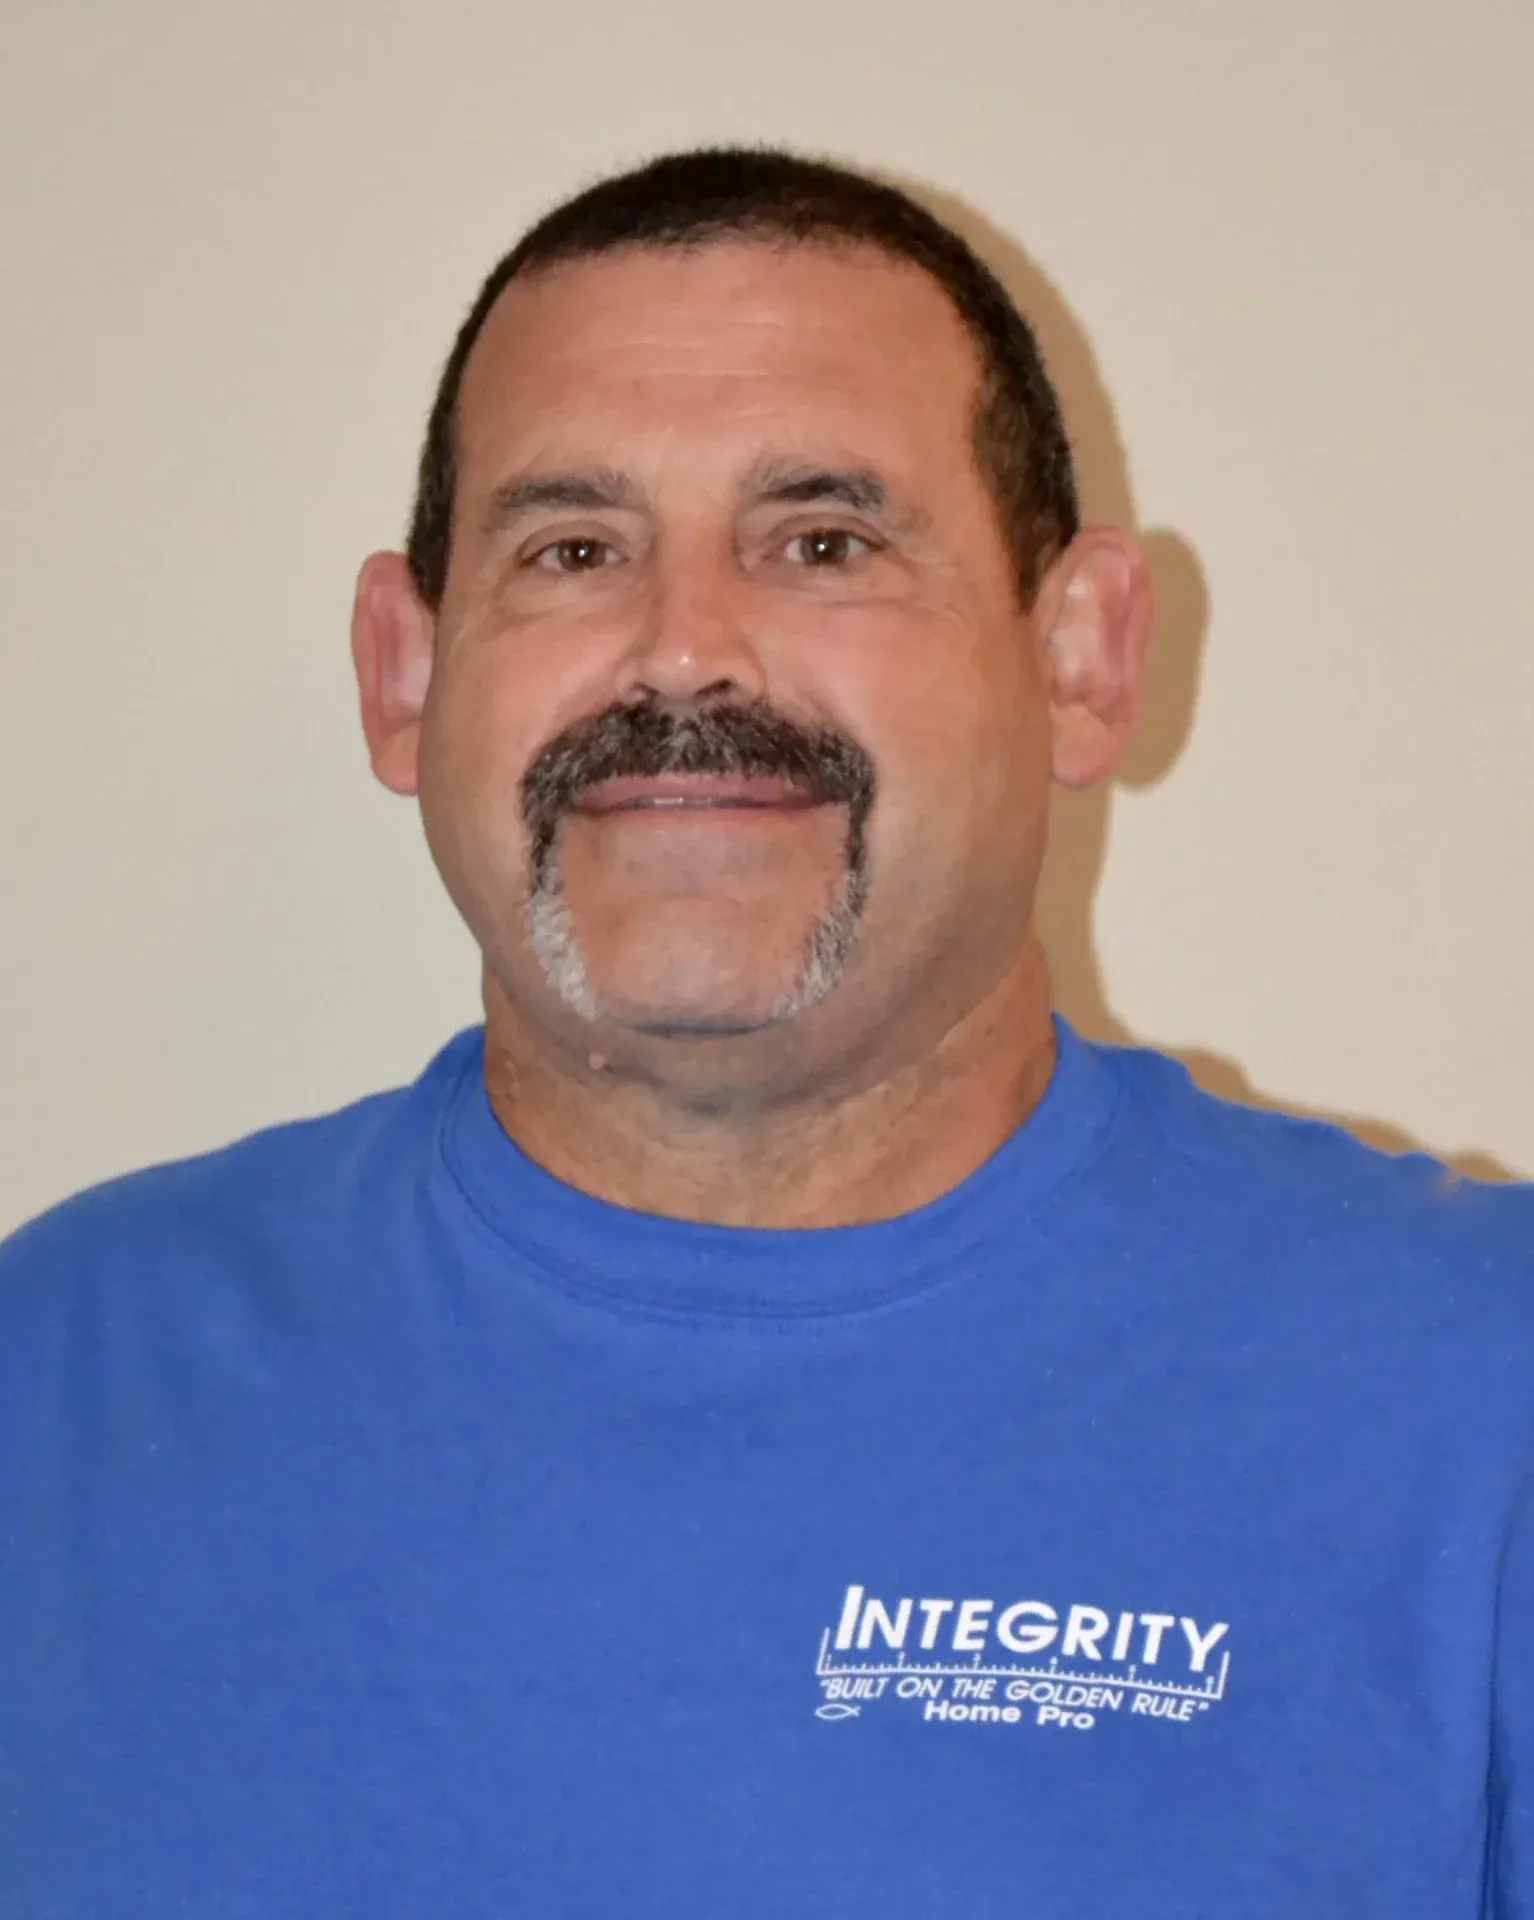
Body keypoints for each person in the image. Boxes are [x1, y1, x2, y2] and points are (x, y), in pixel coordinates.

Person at [1, 146, 1529, 1920]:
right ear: (404, 677)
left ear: (1080, 658)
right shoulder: (58, 1377)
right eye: (574, 550)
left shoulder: (1475, 1392)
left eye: (822, 542)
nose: (681, 657)